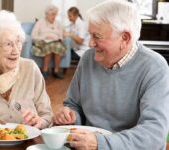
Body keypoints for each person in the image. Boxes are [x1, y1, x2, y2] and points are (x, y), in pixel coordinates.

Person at [54, 1, 169, 149]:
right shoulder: (88, 59)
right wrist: (70, 116)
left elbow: (154, 134)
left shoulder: (155, 68)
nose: (90, 44)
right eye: (90, 35)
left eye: (97, 36)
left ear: (124, 38)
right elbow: (73, 105)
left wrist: (100, 144)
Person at [31, 5, 66, 79]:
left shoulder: (58, 23)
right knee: (50, 46)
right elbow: (33, 35)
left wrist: (58, 38)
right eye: (52, 14)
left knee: (57, 46)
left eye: (55, 14)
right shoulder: (40, 22)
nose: (54, 17)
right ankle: (45, 70)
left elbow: (61, 35)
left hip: (55, 41)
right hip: (42, 41)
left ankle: (56, 70)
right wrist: (44, 37)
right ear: (47, 15)